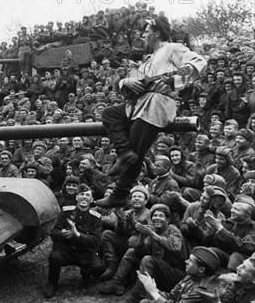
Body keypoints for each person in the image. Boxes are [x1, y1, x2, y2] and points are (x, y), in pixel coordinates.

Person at [96, 17, 207, 208]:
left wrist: (176, 78)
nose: (143, 35)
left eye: (147, 31)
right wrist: (126, 82)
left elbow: (198, 62)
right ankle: (124, 152)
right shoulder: (148, 59)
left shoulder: (172, 48)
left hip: (157, 103)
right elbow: (132, 83)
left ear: (156, 32)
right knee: (110, 113)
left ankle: (120, 193)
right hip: (137, 103)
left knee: (138, 149)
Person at [43, 184, 103, 298]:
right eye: (81, 194)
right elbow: (53, 233)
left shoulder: (96, 217)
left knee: (98, 267)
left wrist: (78, 235)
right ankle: (52, 283)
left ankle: (86, 277)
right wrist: (62, 234)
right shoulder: (66, 212)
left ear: (92, 200)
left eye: (87, 195)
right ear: (76, 197)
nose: (84, 197)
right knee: (54, 257)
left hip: (85, 252)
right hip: (66, 251)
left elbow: (95, 241)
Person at [137, 246, 222, 303]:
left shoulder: (201, 290)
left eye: (190, 261)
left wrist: (154, 292)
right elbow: (172, 297)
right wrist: (154, 289)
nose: (186, 262)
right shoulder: (190, 277)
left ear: (201, 269)